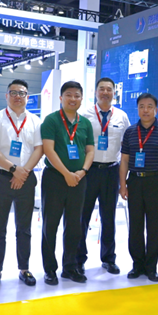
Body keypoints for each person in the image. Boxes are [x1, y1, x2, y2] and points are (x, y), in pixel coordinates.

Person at [0, 79, 43, 288]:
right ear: (7, 95)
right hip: (1, 177)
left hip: (26, 177)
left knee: (24, 227)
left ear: (27, 97)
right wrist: (13, 169)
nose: (18, 96)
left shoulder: (35, 120)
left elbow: (39, 149)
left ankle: (24, 268)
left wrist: (23, 173)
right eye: (14, 92)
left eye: (22, 93)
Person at [40, 81, 95, 285]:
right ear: (61, 98)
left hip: (79, 179)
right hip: (55, 178)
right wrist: (66, 173)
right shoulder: (51, 120)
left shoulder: (85, 123)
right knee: (50, 225)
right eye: (69, 95)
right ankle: (50, 269)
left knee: (74, 226)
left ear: (81, 99)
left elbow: (90, 150)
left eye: (77, 95)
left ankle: (70, 267)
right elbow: (48, 150)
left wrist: (82, 171)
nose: (73, 99)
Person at [119, 93, 158, 282]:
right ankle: (137, 265)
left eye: (149, 106)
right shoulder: (130, 132)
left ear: (156, 110)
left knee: (154, 226)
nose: (145, 110)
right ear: (137, 109)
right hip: (135, 181)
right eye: (142, 106)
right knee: (135, 226)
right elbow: (124, 160)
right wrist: (123, 184)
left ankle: (151, 267)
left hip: (156, 181)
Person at [77, 77, 130, 275]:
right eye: (102, 89)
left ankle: (108, 259)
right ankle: (78, 259)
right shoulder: (84, 115)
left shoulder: (122, 116)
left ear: (114, 93)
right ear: (95, 92)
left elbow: (126, 146)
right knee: (82, 216)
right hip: (89, 171)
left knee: (108, 217)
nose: (105, 92)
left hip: (111, 171)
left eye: (109, 89)